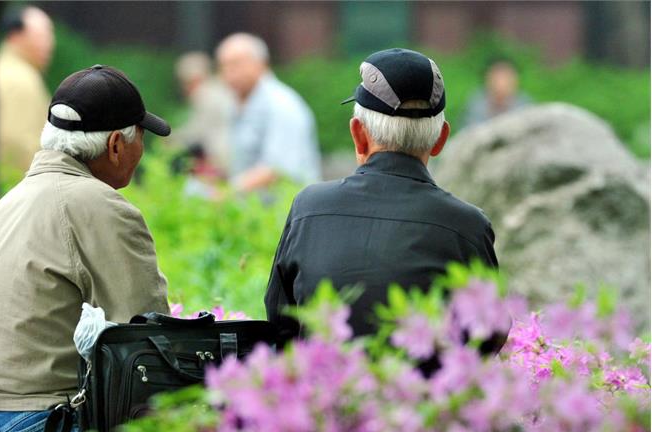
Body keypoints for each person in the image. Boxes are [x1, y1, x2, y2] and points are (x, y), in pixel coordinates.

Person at [0, 65, 171, 432]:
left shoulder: (4, 206)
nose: (143, 149)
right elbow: (148, 337)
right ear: (116, 146)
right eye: (140, 137)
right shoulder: (101, 206)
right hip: (42, 431)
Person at [265, 48, 498, 338]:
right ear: (440, 139)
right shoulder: (468, 226)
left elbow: (280, 320)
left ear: (359, 135)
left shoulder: (309, 208)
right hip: (421, 385)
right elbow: (489, 335)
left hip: (325, 382)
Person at [216, 33, 321, 192]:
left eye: (235, 64)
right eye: (223, 66)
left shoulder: (281, 104)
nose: (228, 72)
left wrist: (224, 193)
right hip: (255, 209)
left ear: (261, 64)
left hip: (289, 211)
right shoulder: (236, 103)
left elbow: (276, 169)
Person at [0, 6, 55, 173]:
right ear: (15, 36)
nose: (49, 44)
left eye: (50, 37)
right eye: (41, 36)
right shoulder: (19, 78)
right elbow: (17, 143)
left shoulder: (14, 71)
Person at [170, 51, 234, 175]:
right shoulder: (219, 87)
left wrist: (173, 139)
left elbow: (197, 132)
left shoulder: (203, 93)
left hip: (219, 156)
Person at [462, 57, 531, 128]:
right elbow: (470, 131)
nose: (501, 84)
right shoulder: (476, 103)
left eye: (506, 80)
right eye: (497, 80)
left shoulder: (524, 104)